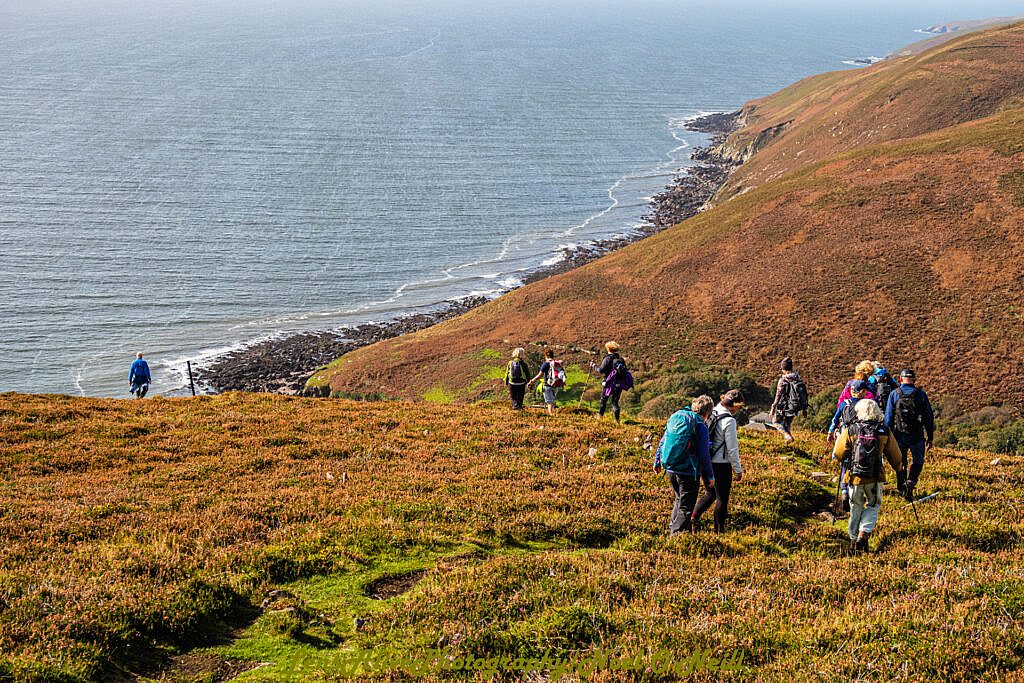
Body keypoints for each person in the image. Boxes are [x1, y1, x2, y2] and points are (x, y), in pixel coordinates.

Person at [832, 398, 906, 553]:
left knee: (855, 507)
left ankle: (853, 539)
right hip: (875, 477)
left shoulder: (852, 429)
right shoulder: (883, 430)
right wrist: (899, 468)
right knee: (873, 505)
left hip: (855, 477)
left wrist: (842, 459)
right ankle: (863, 534)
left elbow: (839, 452)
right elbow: (896, 456)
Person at [653, 395, 715, 534]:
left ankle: (672, 529)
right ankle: (677, 536)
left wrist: (657, 460)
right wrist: (710, 476)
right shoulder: (700, 426)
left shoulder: (678, 417)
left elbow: (664, 439)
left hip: (670, 468)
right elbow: (704, 455)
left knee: (678, 500)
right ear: (707, 413)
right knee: (686, 507)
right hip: (688, 471)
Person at [691, 389, 745, 533]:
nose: (738, 410)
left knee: (710, 493)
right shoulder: (729, 421)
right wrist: (737, 470)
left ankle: (693, 518)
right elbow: (732, 449)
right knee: (722, 498)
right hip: (721, 464)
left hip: (706, 461)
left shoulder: (711, 412)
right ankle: (719, 529)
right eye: (739, 407)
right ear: (733, 405)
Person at [884, 368, 935, 502]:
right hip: (917, 435)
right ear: (914, 380)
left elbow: (888, 417)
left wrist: (887, 437)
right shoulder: (921, 395)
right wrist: (930, 437)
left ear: (900, 379)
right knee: (918, 461)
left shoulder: (894, 394)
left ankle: (901, 489)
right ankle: (911, 482)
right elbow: (929, 417)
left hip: (899, 434)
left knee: (901, 462)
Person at [827, 379, 869, 513]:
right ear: (862, 392)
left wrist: (830, 432)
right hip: (860, 439)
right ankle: (855, 496)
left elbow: (835, 420)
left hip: (845, 437)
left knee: (844, 465)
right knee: (858, 465)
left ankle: (844, 491)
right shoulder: (866, 405)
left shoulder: (845, 404)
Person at [769, 357, 807, 443]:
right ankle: (788, 444)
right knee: (787, 425)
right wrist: (804, 408)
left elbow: (778, 396)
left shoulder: (783, 380)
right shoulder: (798, 378)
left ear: (783, 369)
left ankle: (787, 436)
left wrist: (772, 408)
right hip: (795, 407)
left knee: (776, 422)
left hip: (784, 407)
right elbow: (803, 393)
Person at [592, 341, 628, 423]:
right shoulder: (620, 359)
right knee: (615, 403)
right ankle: (617, 420)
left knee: (603, 400)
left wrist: (594, 366)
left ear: (608, 349)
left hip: (608, 384)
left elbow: (601, 370)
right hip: (619, 384)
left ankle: (600, 417)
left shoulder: (607, 358)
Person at [527, 348, 561, 416]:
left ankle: (551, 414)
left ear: (546, 356)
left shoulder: (545, 364)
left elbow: (539, 375)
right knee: (552, 400)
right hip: (556, 385)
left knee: (549, 401)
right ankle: (553, 413)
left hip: (547, 385)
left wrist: (531, 381)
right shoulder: (556, 364)